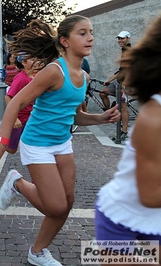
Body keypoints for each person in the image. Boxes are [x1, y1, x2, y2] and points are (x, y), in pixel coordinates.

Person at [0, 16, 120, 265]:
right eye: (82, 33)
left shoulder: (84, 77)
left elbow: (75, 115)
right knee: (55, 207)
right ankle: (19, 184)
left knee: (66, 204)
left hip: (62, 143)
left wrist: (101, 118)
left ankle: (37, 252)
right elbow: (16, 102)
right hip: (37, 144)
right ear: (65, 41)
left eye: (91, 32)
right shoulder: (54, 71)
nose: (90, 37)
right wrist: (2, 143)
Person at [95, 15, 161, 265]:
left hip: (155, 219)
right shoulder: (155, 119)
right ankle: (120, 129)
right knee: (119, 105)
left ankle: (121, 128)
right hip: (120, 218)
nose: (120, 41)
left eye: (121, 38)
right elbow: (149, 195)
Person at [0, 56, 36, 154]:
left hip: (29, 117)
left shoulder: (35, 76)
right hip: (19, 118)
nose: (36, 62)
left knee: (33, 146)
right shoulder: (21, 78)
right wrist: (14, 118)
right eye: (33, 59)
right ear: (24, 62)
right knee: (11, 149)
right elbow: (8, 97)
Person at [99, 31, 131, 140]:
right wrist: (109, 80)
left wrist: (124, 87)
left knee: (123, 106)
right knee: (103, 93)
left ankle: (124, 131)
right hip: (119, 81)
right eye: (119, 39)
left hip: (126, 82)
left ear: (128, 39)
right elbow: (121, 70)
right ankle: (110, 113)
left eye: (122, 38)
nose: (120, 41)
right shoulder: (124, 51)